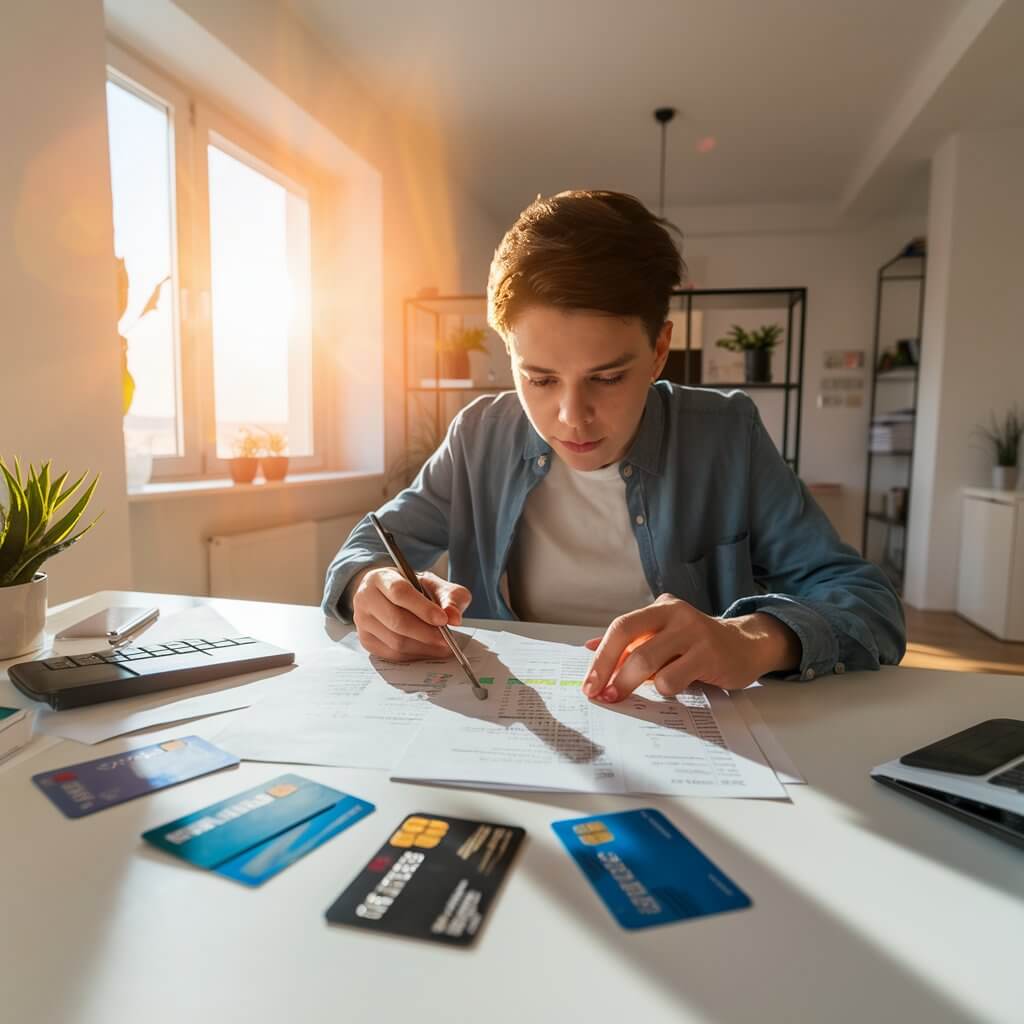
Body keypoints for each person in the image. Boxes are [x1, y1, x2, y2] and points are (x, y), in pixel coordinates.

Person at [322, 190, 905, 702]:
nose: (572, 417)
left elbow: (868, 604)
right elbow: (369, 546)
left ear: (658, 351)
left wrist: (749, 637)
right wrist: (369, 588)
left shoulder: (726, 434)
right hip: (507, 723)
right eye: (540, 379)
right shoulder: (479, 434)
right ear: (510, 356)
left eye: (607, 378)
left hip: (692, 734)